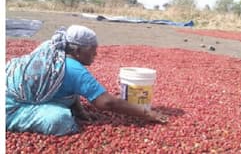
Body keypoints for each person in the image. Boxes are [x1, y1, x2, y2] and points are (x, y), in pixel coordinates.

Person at [6, 25, 167, 136]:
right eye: (92, 51)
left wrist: (80, 110)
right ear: (76, 51)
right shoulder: (74, 69)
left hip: (10, 84)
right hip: (9, 106)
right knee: (60, 120)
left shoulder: (52, 46)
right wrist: (146, 113)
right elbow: (107, 103)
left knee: (66, 102)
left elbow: (68, 85)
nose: (95, 55)